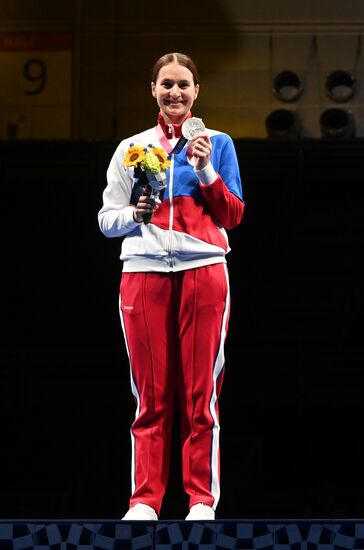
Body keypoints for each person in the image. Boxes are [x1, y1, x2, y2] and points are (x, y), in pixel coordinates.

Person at [98, 52, 244, 521]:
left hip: (203, 270)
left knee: (200, 395)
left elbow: (233, 215)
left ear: (196, 91)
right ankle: (145, 501)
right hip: (143, 273)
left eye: (184, 84)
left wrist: (205, 170)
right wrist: (137, 216)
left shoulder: (217, 143)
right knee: (150, 395)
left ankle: (201, 500)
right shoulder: (131, 148)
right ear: (153, 90)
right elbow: (107, 219)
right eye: (167, 84)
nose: (175, 92)